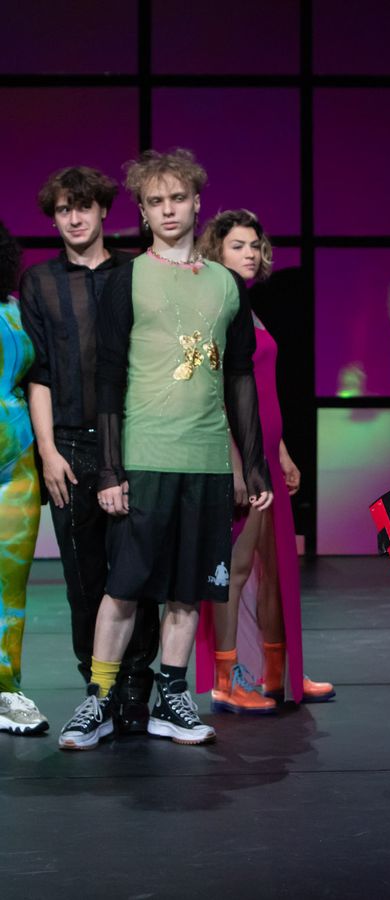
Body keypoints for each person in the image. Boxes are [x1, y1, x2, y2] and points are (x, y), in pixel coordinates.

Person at [57, 149, 271, 750]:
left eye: (178, 198)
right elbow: (107, 377)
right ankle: (98, 699)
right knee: (123, 587)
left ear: (197, 202)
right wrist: (109, 470)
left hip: (205, 461)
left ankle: (172, 699)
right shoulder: (127, 278)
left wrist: (253, 462)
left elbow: (240, 377)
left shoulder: (227, 284)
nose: (168, 210)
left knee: (187, 589)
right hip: (145, 456)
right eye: (156, 202)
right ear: (143, 212)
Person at [20, 167, 159, 733]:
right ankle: (97, 692)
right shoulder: (40, 281)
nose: (74, 218)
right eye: (63, 210)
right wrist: (48, 451)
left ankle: (137, 690)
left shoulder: (136, 271)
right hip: (71, 444)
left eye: (83, 207)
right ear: (53, 219)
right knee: (84, 580)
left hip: (137, 439)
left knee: (138, 575)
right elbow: (39, 373)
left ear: (103, 210)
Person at [194, 209, 334, 710]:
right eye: (237, 245)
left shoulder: (244, 305)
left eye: (254, 245)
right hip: (240, 454)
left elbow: (262, 391)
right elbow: (216, 395)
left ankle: (279, 674)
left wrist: (282, 451)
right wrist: (237, 461)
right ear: (215, 251)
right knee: (236, 566)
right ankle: (226, 679)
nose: (250, 253)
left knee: (274, 567)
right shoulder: (217, 308)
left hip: (266, 452)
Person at [0, 221, 47, 735]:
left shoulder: (16, 312)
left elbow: (39, 383)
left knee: (9, 591)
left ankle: (5, 689)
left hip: (16, 471)